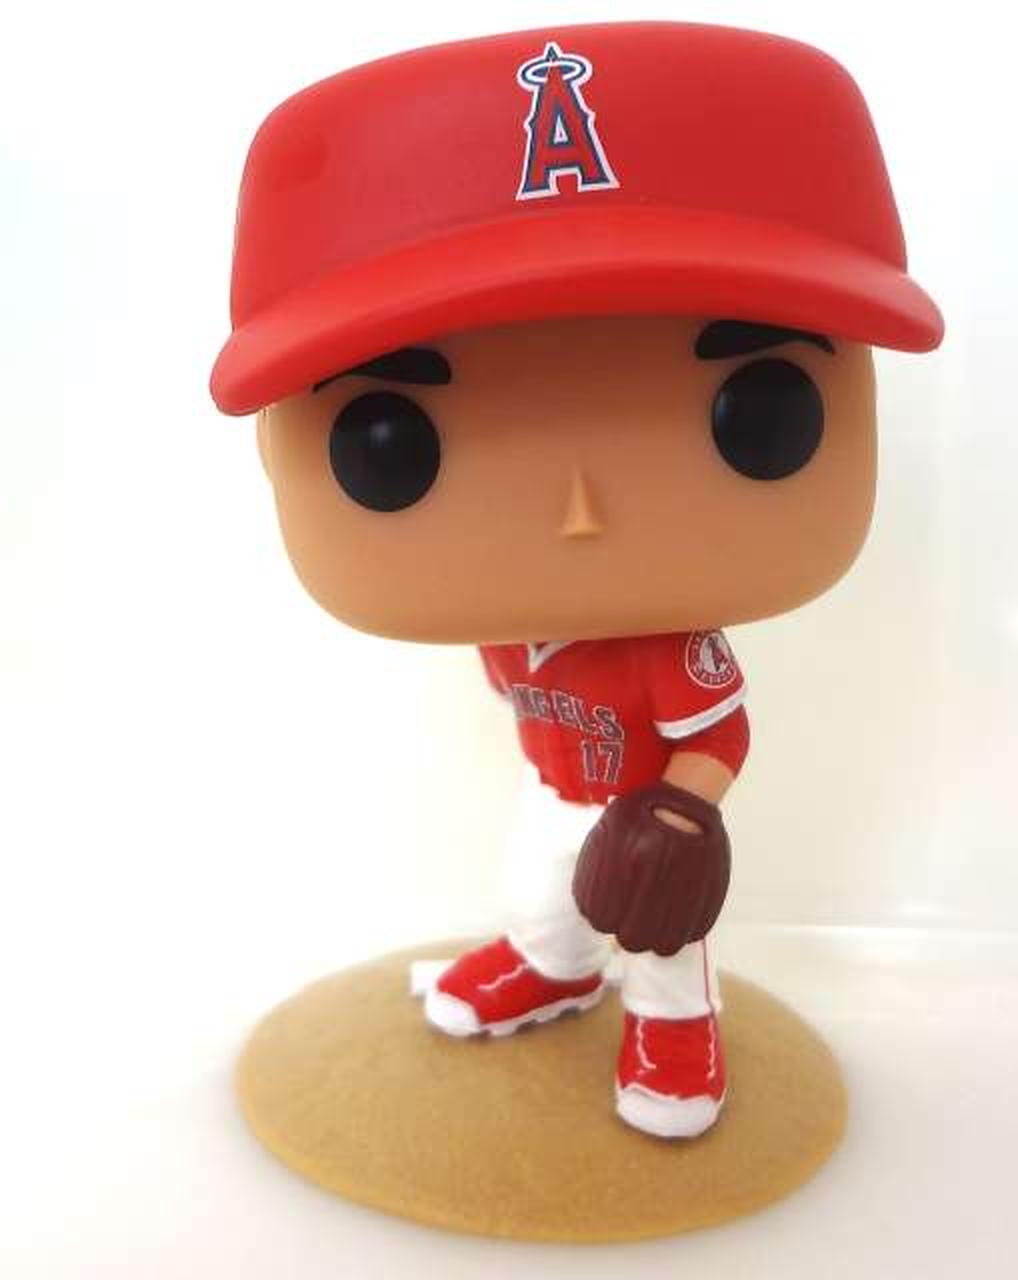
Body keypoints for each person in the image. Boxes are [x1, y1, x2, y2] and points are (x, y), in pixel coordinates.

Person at [211, 23, 943, 1139]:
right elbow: (510, 678)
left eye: (760, 413)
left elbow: (722, 729)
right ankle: (550, 969)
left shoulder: (669, 645)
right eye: (389, 440)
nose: (579, 509)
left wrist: (677, 814)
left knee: (662, 928)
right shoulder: (506, 626)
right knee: (538, 890)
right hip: (556, 790)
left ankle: (674, 1030)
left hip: (643, 801)